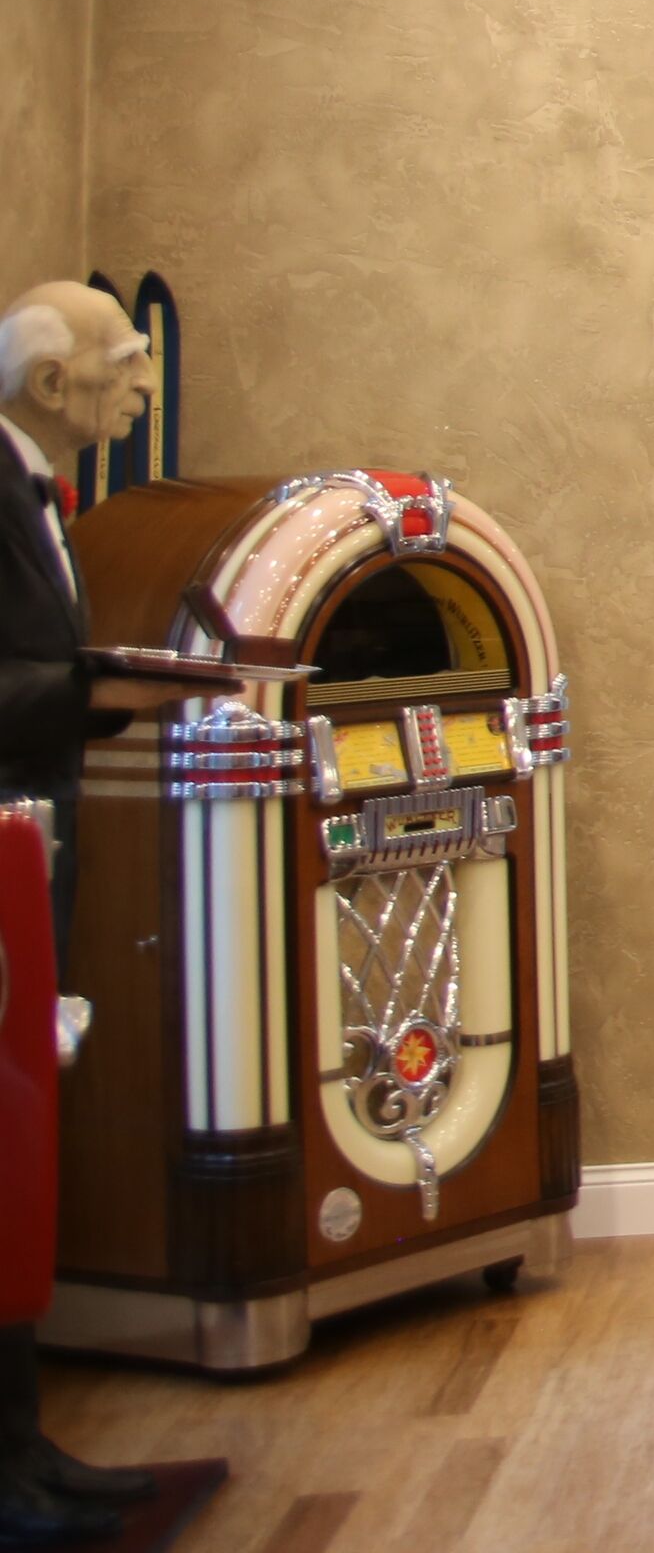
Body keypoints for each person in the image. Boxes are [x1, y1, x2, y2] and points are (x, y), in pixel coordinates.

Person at [0, 283, 160, 1545]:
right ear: (52, 386)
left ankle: (26, 1453)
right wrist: (104, 685)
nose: (143, 387)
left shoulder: (44, 494)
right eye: (126, 362)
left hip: (32, 852)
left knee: (19, 1150)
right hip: (3, 856)